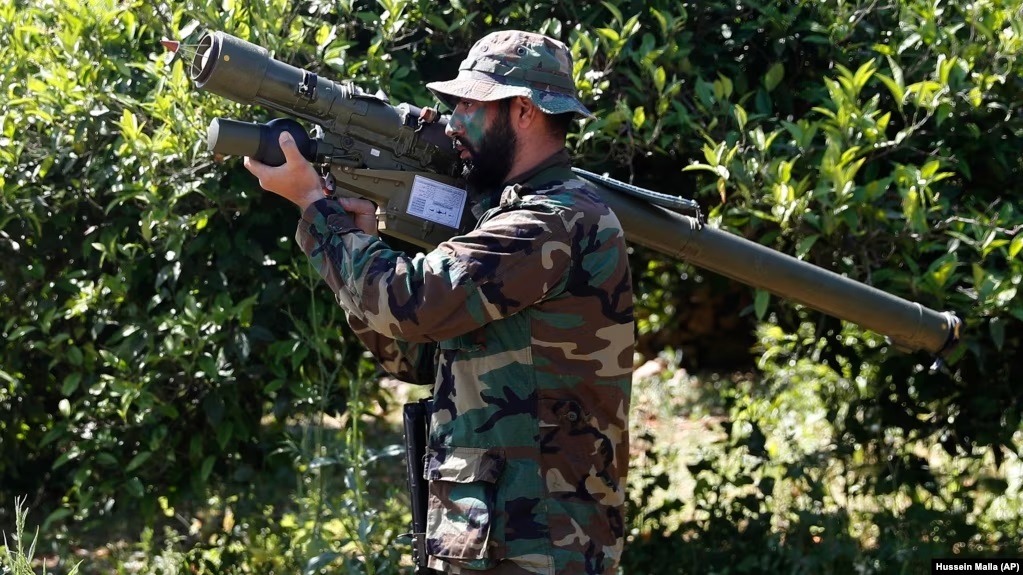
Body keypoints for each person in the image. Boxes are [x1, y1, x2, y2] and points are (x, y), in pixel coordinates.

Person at [244, 30, 635, 575]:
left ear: (523, 110)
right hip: (499, 536)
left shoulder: (551, 219)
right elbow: (416, 354)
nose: (452, 122)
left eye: (470, 104)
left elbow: (413, 304)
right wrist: (357, 242)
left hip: (540, 543)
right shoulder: (512, 216)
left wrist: (317, 210)